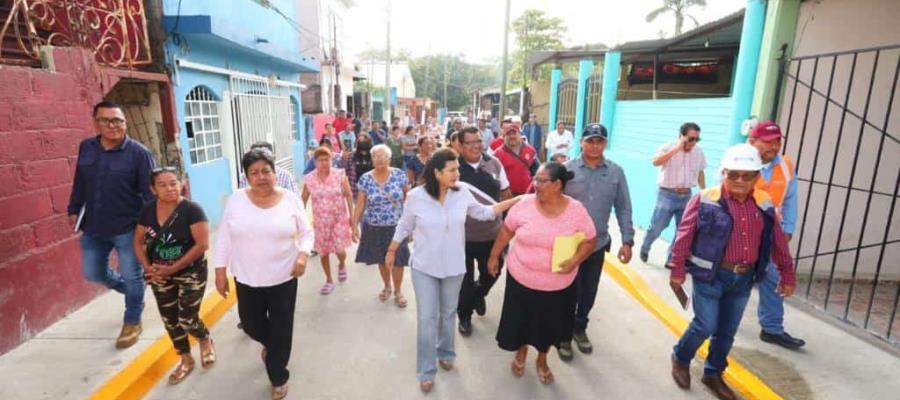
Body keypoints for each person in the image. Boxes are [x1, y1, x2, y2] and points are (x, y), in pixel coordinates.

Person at [669, 144, 796, 400]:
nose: (740, 180)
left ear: (757, 177)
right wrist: (677, 269)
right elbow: (683, 236)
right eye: (733, 174)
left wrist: (787, 273)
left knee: (727, 331)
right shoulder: (705, 198)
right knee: (705, 324)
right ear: (724, 173)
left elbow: (777, 240)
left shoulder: (764, 202)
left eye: (747, 175)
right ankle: (681, 357)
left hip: (743, 278)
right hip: (710, 276)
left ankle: (713, 373)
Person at [386, 149, 519, 393]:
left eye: (457, 169)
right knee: (427, 318)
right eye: (452, 170)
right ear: (437, 173)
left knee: (448, 314)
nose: (457, 173)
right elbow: (405, 224)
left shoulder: (462, 192)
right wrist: (392, 249)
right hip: (424, 267)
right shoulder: (416, 196)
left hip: (455, 266)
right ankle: (426, 370)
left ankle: (446, 351)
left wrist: (516, 200)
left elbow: (484, 212)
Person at [214, 149, 313, 400]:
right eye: (254, 172)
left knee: (281, 328)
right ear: (247, 176)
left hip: (283, 276)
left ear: (275, 172)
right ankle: (273, 346)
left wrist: (302, 255)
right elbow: (224, 236)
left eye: (266, 171)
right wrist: (219, 270)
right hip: (247, 277)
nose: (261, 177)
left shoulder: (290, 199)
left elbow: (306, 232)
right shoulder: (236, 200)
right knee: (251, 325)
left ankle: (278, 375)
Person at [489, 162, 598, 385]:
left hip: (557, 286)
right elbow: (507, 230)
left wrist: (575, 260)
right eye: (535, 179)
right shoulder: (524, 204)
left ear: (558, 184)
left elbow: (590, 240)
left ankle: (542, 359)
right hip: (521, 279)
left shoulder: (576, 210)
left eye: (541, 181)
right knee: (521, 321)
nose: (535, 184)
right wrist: (494, 256)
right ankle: (521, 352)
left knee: (548, 326)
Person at [68, 100, 155, 349]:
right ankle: (133, 292)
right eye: (106, 120)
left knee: (132, 273)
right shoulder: (87, 148)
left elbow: (150, 197)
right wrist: (73, 208)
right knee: (93, 272)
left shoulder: (139, 154)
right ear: (96, 123)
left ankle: (132, 320)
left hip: (128, 228)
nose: (113, 125)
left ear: (125, 123)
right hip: (93, 226)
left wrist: (149, 229)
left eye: (118, 120)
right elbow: (80, 182)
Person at [560, 123, 634, 361]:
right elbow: (550, 201)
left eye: (599, 141)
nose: (594, 145)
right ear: (581, 142)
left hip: (597, 243)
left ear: (605, 143)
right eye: (590, 140)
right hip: (567, 244)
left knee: (588, 291)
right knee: (565, 289)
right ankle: (562, 333)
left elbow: (623, 206)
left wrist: (627, 240)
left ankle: (579, 328)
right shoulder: (566, 169)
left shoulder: (615, 172)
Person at [134, 167, 214, 384]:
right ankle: (185, 359)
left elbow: (202, 245)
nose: (169, 188)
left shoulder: (192, 210)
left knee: (187, 317)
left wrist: (173, 268)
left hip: (191, 272)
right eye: (162, 184)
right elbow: (138, 241)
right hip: (159, 274)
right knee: (170, 319)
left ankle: (204, 338)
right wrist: (148, 267)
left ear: (181, 184)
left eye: (173, 183)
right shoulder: (147, 211)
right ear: (153, 189)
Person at [747, 121, 805, 350]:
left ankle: (771, 329)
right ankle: (713, 322)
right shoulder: (740, 162)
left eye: (778, 141)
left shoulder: (786, 165)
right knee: (733, 281)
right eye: (768, 142)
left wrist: (788, 228)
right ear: (752, 142)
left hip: (771, 234)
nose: (774, 146)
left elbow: (790, 199)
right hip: (739, 234)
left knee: (773, 278)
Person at [454, 127, 512, 337]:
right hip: (462, 237)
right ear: (460, 146)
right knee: (465, 281)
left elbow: (506, 193)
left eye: (478, 141)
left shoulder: (494, 163)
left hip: (492, 235)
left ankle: (480, 293)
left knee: (492, 272)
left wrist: (508, 224)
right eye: (469, 142)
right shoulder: (453, 168)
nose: (476, 146)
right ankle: (465, 316)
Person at [351, 144, 412, 307]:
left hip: (397, 226)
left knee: (398, 260)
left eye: (382, 157)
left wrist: (411, 220)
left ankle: (399, 290)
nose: (379, 160)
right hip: (374, 225)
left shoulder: (399, 175)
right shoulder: (365, 178)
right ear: (372, 159)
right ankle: (387, 285)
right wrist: (354, 225)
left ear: (389, 159)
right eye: (376, 157)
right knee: (381, 258)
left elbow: (410, 197)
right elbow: (360, 204)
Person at [639, 122, 707, 264]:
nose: (693, 143)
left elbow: (700, 172)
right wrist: (676, 149)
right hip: (666, 195)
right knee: (658, 226)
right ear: (681, 136)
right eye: (691, 139)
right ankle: (645, 247)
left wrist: (704, 191)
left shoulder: (699, 152)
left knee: (683, 230)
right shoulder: (667, 147)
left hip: (686, 195)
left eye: (697, 139)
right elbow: (655, 162)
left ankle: (671, 258)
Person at [303, 146, 355, 295]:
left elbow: (349, 195)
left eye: (327, 159)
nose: (324, 163)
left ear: (331, 160)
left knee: (340, 250)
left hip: (339, 219)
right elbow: (304, 198)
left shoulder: (339, 175)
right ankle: (329, 280)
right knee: (323, 252)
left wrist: (352, 216)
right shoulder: (309, 179)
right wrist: (301, 221)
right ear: (315, 162)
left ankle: (342, 264)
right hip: (320, 222)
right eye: (320, 160)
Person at [493, 124, 538, 195]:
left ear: (520, 135)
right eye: (508, 134)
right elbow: (494, 177)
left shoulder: (531, 150)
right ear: (504, 137)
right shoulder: (497, 154)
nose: (512, 136)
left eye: (514, 133)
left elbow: (537, 172)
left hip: (528, 194)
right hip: (507, 196)